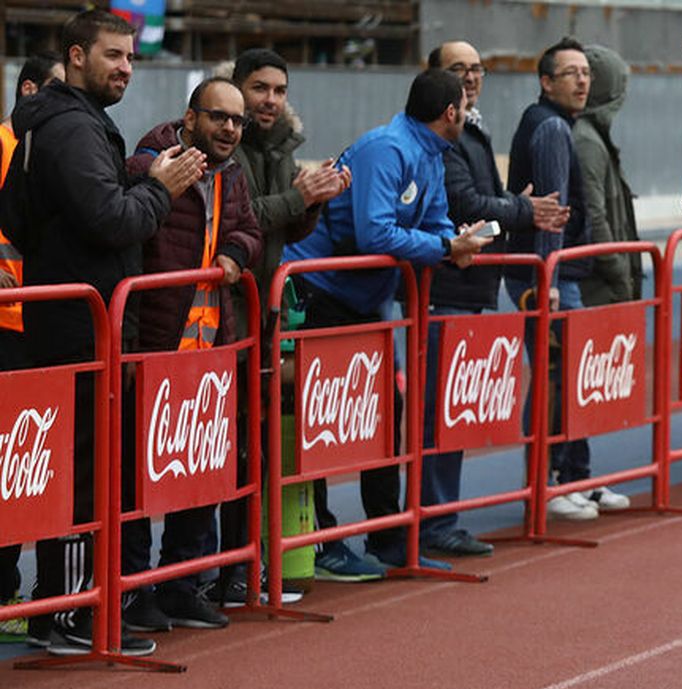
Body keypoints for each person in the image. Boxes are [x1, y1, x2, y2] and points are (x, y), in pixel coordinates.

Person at [0, 9, 207, 657]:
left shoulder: (49, 125)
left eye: (131, 57)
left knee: (73, 471)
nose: (124, 67)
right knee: (83, 476)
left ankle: (62, 609)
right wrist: (160, 189)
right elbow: (114, 221)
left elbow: (17, 212)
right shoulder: (72, 129)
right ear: (76, 57)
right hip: (81, 328)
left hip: (68, 322)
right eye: (113, 55)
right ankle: (66, 615)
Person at [282, 68, 493, 573]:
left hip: (364, 300)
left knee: (382, 411)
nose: (468, 114)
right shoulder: (387, 148)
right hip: (321, 292)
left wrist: (455, 244)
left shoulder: (433, 154)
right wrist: (444, 247)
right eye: (465, 107)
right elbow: (375, 233)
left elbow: (438, 220)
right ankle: (323, 540)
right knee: (319, 417)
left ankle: (387, 537)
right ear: (450, 113)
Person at [208, 47, 352, 601]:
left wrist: (310, 201)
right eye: (260, 88)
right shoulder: (226, 143)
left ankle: (244, 566)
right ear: (235, 86)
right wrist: (299, 196)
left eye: (279, 90)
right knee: (224, 450)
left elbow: (275, 232)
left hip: (261, 315)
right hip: (223, 320)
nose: (270, 100)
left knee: (255, 448)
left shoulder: (278, 145)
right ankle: (221, 571)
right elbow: (235, 221)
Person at [120, 77, 263, 633]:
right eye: (219, 117)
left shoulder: (235, 172)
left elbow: (250, 230)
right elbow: (132, 228)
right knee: (136, 476)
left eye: (237, 121)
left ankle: (181, 584)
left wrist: (234, 253)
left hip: (210, 349)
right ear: (190, 117)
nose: (230, 128)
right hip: (156, 345)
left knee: (200, 470)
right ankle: (134, 591)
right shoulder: (153, 163)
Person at [423, 40, 567, 556]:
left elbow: (481, 201)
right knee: (439, 414)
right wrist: (521, 210)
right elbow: (464, 200)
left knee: (453, 412)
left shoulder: (470, 126)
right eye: (457, 68)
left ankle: (439, 519)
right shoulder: (441, 134)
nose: (469, 76)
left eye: (476, 68)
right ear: (433, 76)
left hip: (469, 287)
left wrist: (512, 208)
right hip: (446, 288)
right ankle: (433, 522)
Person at [506, 37, 629, 520]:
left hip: (557, 272)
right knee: (556, 377)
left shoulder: (560, 124)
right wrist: (549, 276)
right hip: (548, 275)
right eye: (571, 73)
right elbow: (551, 210)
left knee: (573, 377)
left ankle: (576, 475)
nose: (582, 80)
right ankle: (549, 480)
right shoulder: (552, 128)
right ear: (546, 82)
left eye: (586, 73)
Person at [0, 50, 64, 643]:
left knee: (27, 470)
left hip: (36, 328)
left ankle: (13, 592)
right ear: (28, 92)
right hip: (7, 331)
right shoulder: (4, 145)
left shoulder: (50, 149)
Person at [572, 43, 642, 306]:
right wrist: (619, 273)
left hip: (602, 282)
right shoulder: (587, 141)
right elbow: (594, 213)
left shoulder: (591, 136)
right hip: (600, 288)